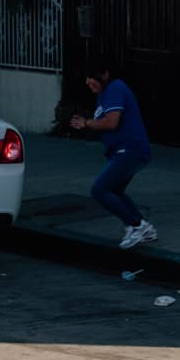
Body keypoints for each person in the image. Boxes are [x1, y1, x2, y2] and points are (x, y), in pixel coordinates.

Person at [69, 60, 157, 248]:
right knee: (114, 190)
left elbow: (111, 122)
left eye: (92, 77)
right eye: (86, 78)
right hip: (125, 151)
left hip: (130, 150)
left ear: (105, 75)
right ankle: (144, 228)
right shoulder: (105, 93)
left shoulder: (115, 89)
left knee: (99, 190)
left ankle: (135, 225)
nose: (88, 82)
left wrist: (86, 123)